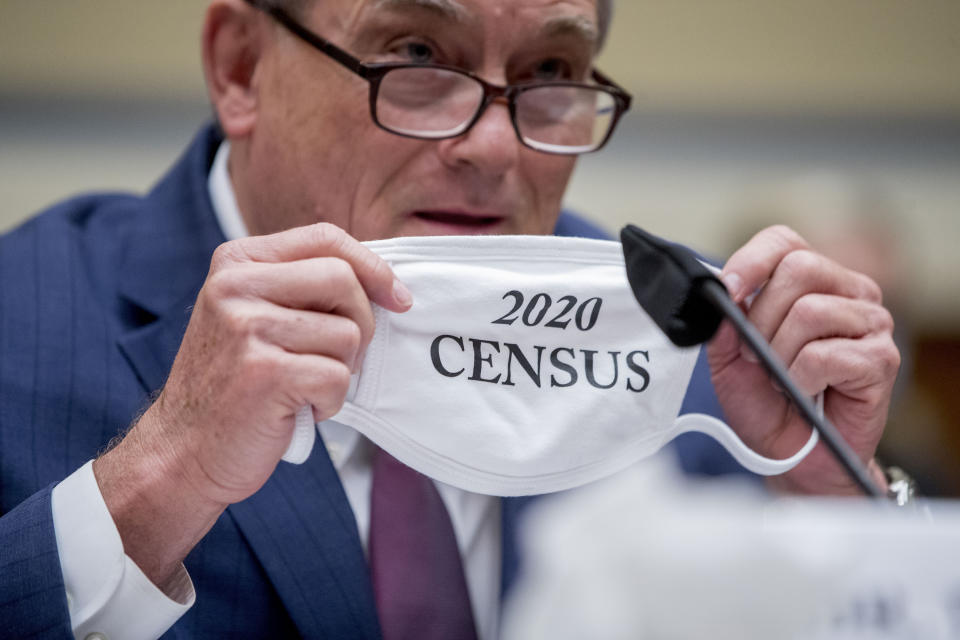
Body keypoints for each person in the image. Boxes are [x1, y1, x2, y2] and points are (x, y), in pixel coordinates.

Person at [0, 0, 900, 638]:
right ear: (240, 66)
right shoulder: (24, 311)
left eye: (550, 72)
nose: (496, 146)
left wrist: (827, 500)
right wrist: (161, 477)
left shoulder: (683, 334)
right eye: (418, 56)